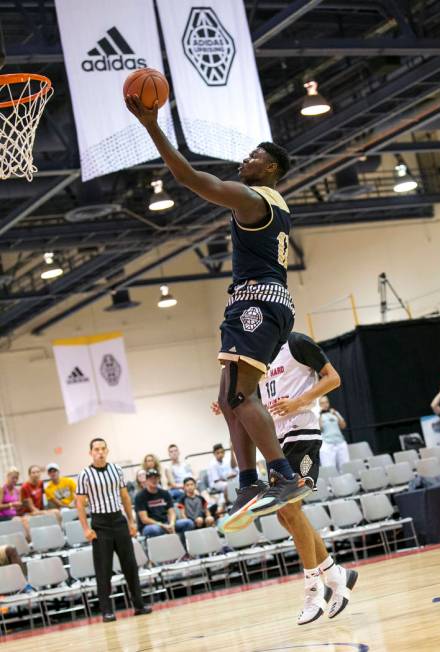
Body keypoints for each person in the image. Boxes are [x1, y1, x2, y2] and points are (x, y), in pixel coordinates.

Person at [126, 95, 307, 530]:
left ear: (270, 170)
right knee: (229, 401)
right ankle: (248, 482)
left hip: (257, 302)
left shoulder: (255, 199)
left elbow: (188, 178)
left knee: (241, 397)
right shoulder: (273, 205)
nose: (245, 160)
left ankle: (284, 476)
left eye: (254, 157)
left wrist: (152, 126)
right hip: (256, 301)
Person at [213, 332, 358, 624]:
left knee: (290, 508)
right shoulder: (256, 357)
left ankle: (314, 588)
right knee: (284, 516)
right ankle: (334, 572)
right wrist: (227, 404)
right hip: (276, 443)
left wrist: (300, 401)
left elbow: (333, 378)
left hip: (302, 433)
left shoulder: (297, 343)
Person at [76, 438, 151, 623]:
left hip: (119, 520)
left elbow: (125, 496)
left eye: (103, 449)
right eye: (96, 449)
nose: (100, 452)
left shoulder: (116, 470)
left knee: (130, 565)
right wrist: (85, 528)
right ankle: (107, 611)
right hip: (100, 524)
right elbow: (79, 503)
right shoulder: (84, 474)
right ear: (90, 453)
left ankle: (139, 605)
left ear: (107, 451)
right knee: (104, 569)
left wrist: (132, 521)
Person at [134, 469, 194, 540]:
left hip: (166, 523)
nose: (154, 480)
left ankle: (184, 548)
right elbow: (144, 519)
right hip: (150, 526)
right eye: (151, 478)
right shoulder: (140, 496)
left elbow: (172, 512)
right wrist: (162, 525)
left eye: (156, 478)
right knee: (154, 530)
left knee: (188, 523)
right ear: (146, 481)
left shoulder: (165, 493)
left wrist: (172, 524)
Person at [319, 396, 349, 471]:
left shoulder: (334, 412)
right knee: (330, 469)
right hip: (327, 444)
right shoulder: (318, 416)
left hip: (340, 442)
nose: (325, 404)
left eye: (326, 402)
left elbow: (343, 426)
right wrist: (319, 415)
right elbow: (319, 429)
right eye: (322, 403)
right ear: (319, 405)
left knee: (345, 468)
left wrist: (336, 414)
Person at [0, 467, 30, 539]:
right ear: (8, 477)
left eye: (16, 478)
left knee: (27, 518)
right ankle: (30, 542)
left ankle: (29, 542)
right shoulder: (2, 489)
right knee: (21, 521)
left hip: (14, 516)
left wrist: (23, 506)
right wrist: (11, 504)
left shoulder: (17, 491)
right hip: (3, 517)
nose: (15, 480)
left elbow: (18, 509)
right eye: (13, 478)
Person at [207, 443, 238, 510]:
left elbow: (232, 471)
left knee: (236, 482)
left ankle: (237, 501)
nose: (220, 454)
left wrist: (231, 476)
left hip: (225, 481)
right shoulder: (212, 464)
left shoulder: (226, 461)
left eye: (221, 452)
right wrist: (227, 477)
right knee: (227, 485)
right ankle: (228, 503)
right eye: (218, 453)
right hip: (215, 484)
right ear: (214, 454)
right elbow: (216, 480)